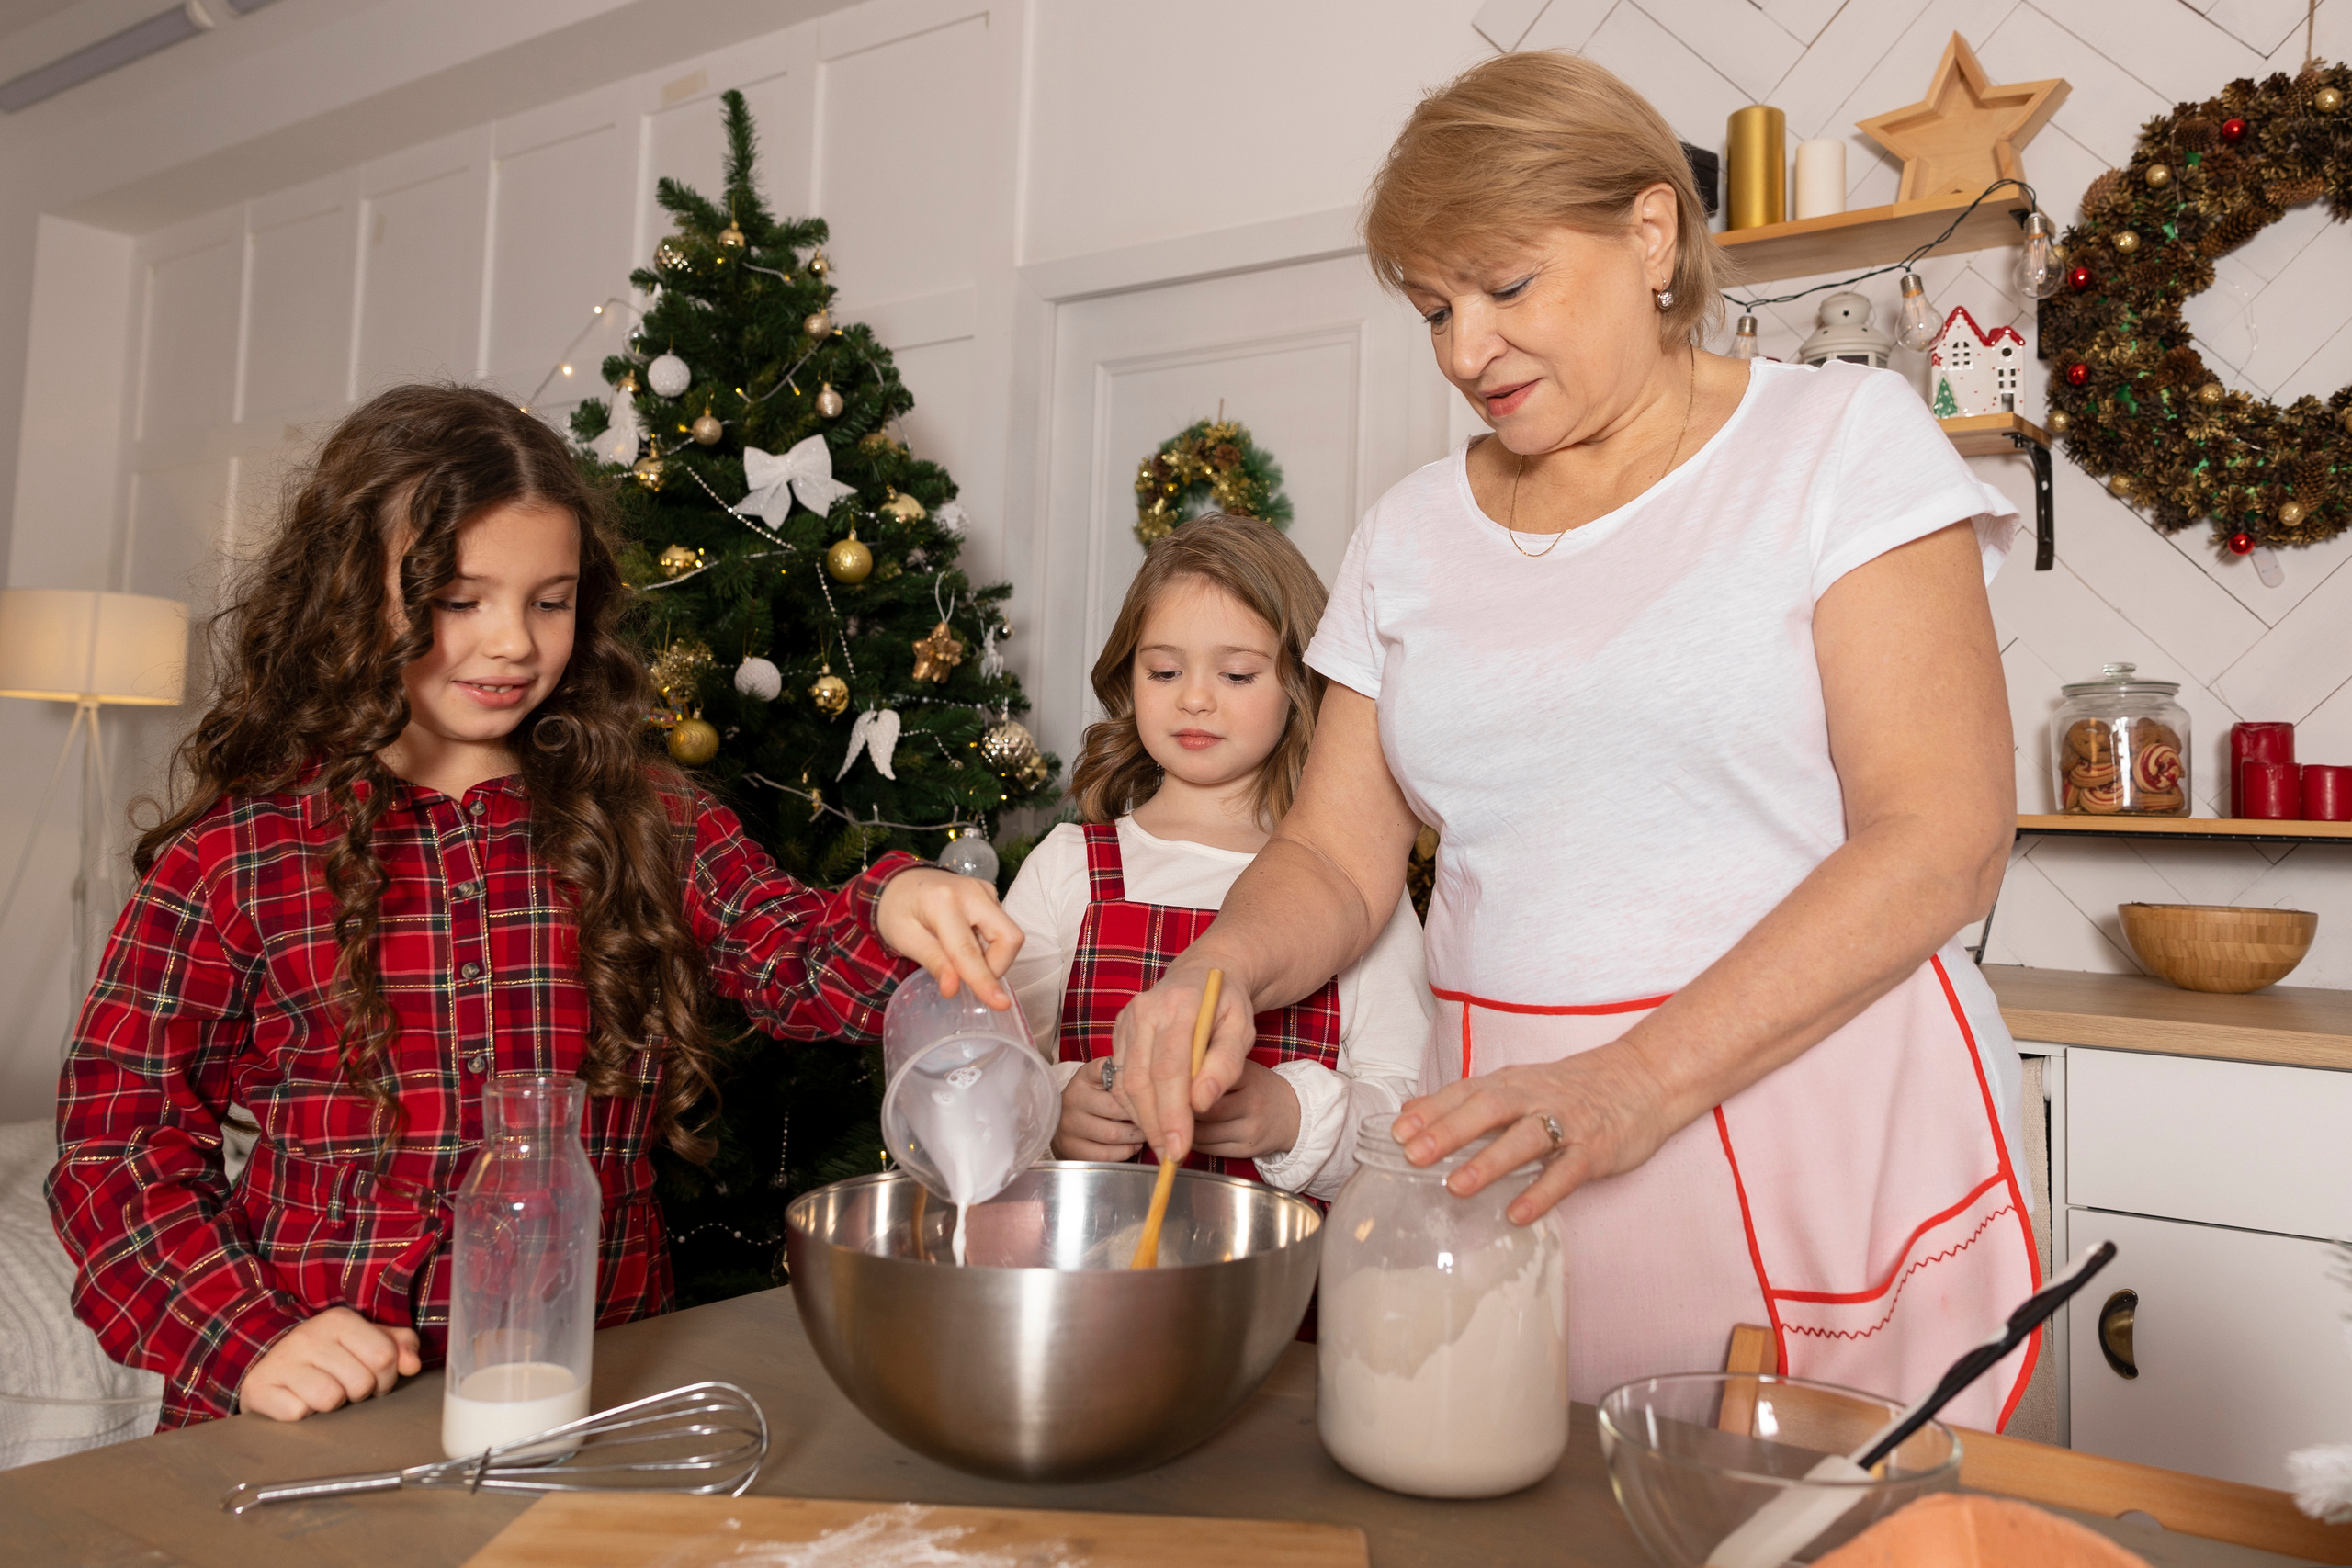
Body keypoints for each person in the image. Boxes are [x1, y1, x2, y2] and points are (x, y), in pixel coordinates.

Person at [1106, 52, 2042, 1429]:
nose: (1463, 348)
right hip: (1501, 1131)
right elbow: (1339, 854)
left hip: (1796, 1108)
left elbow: (1942, 843)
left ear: (1650, 234)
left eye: (1506, 286)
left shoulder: (1840, 445)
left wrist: (1635, 1083)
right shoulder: (1410, 529)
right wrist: (1218, 969)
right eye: (1435, 306)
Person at [48, 385, 1020, 1429]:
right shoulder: (234, 858)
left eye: (548, 601)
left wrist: (893, 904)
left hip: (593, 1384)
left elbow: (792, 955)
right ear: (344, 593)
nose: (512, 642)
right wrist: (251, 1339)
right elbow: (116, 1151)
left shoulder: (648, 817)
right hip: (316, 1403)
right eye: (460, 600)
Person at [1001, 514, 1428, 1201]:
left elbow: (1412, 1109)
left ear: (1300, 685)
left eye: (1235, 673)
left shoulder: (1355, 885)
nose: (1194, 697)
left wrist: (1291, 1117)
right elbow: (991, 1067)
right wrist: (1052, 1110)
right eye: (1165, 669)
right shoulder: (1069, 867)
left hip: (1289, 1294)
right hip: (1098, 1287)